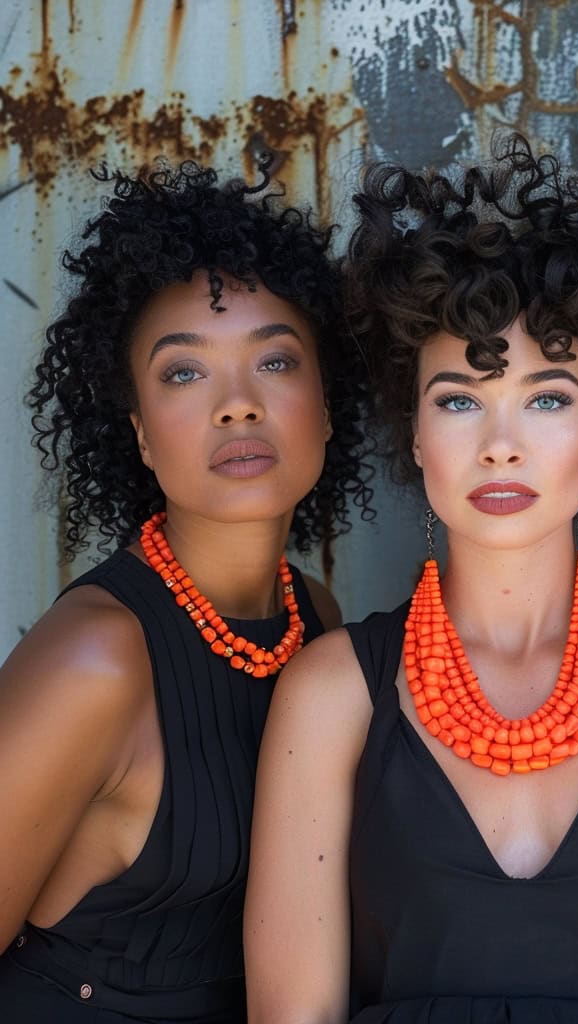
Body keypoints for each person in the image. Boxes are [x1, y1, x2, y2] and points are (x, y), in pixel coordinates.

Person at [244, 139, 578, 1024]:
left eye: (548, 397)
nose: (502, 443)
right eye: (460, 399)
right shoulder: (332, 694)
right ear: (415, 435)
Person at [0, 159, 371, 1022]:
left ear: (325, 402)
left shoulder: (314, 616)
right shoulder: (97, 658)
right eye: (182, 373)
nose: (237, 406)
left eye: (275, 362)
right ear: (136, 431)